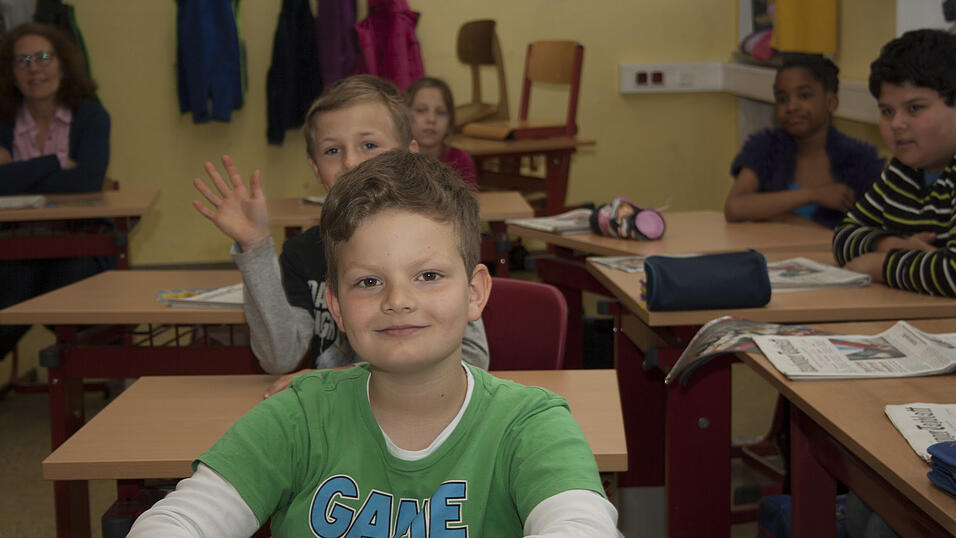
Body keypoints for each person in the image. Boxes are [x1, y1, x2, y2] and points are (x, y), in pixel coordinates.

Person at [128, 150, 621, 537]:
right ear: (336, 306)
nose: (398, 300)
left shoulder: (530, 425)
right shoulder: (296, 418)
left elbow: (579, 524)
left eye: (428, 275)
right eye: (368, 282)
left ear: (475, 293)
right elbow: (180, 521)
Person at [192, 75, 489, 382]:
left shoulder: (436, 239)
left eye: (369, 145)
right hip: (338, 421)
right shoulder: (302, 253)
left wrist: (338, 382)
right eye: (332, 151)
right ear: (315, 167)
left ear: (409, 152)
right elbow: (280, 357)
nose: (350, 162)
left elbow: (474, 357)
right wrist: (255, 248)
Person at [0, 22, 111, 361]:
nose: (34, 69)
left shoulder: (91, 115)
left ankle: (93, 377)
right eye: (22, 61)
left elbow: (88, 181)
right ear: (11, 72)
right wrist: (58, 162)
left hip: (79, 241)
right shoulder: (3, 120)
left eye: (43, 57)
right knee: (13, 292)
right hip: (13, 246)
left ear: (64, 64)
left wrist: (15, 173)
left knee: (65, 288)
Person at [834, 29, 956, 298]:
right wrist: (891, 244)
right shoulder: (902, 171)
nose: (897, 124)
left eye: (915, 108)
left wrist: (881, 265)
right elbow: (843, 237)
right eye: (887, 111)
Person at [725, 54, 883, 228]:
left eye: (804, 95)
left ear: (831, 102)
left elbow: (867, 234)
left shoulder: (859, 161)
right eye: (783, 99)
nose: (791, 107)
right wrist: (813, 194)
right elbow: (735, 207)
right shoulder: (766, 147)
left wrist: (788, 220)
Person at [406, 76, 478, 189]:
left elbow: (469, 204)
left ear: (450, 123)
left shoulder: (460, 159)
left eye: (440, 112)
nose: (431, 119)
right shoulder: (395, 158)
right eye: (421, 110)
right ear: (405, 116)